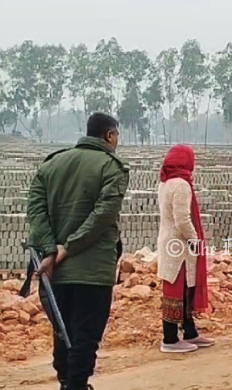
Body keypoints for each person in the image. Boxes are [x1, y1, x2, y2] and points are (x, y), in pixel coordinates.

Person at [26, 112, 130, 390]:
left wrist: (50, 251)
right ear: (109, 135)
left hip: (55, 272)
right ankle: (76, 385)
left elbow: (35, 211)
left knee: (63, 332)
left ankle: (66, 383)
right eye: (117, 135)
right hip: (92, 272)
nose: (117, 141)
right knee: (85, 335)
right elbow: (103, 215)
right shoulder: (111, 167)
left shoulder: (51, 165)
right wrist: (68, 248)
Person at [157, 145, 214, 353]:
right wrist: (195, 239)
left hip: (170, 244)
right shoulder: (181, 185)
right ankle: (170, 339)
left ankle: (190, 332)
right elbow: (182, 219)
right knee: (177, 290)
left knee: (184, 289)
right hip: (178, 247)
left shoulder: (165, 183)